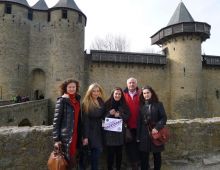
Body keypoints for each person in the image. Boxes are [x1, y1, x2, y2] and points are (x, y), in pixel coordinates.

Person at [52, 79, 82, 169]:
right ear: (65, 88)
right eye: (70, 87)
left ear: (76, 88)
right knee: (67, 161)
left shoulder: (77, 100)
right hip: (66, 137)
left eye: (74, 87)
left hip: (76, 134)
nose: (72, 89)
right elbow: (56, 122)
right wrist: (56, 139)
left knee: (73, 159)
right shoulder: (62, 101)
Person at [137, 85, 167, 170]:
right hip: (144, 134)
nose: (146, 95)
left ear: (152, 93)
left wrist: (157, 128)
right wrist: (138, 137)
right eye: (144, 93)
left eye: (148, 93)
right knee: (144, 157)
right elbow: (139, 122)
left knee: (157, 155)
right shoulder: (141, 106)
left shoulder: (158, 104)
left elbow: (164, 118)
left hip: (156, 133)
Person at [103, 87, 130, 170]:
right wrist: (109, 114)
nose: (117, 95)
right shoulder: (107, 103)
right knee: (110, 154)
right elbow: (102, 118)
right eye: (116, 93)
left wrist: (120, 115)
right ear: (113, 94)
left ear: (121, 95)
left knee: (119, 154)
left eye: (119, 94)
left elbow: (128, 116)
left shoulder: (124, 104)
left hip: (120, 133)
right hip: (109, 134)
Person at [82, 83, 105, 170]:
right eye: (93, 91)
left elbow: (104, 115)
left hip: (99, 131)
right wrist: (85, 137)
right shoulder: (86, 103)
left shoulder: (101, 101)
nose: (96, 93)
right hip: (90, 132)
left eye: (97, 91)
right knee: (92, 157)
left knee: (97, 155)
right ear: (90, 92)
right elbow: (85, 121)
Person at [123, 77, 141, 170]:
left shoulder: (141, 94)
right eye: (130, 83)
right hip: (128, 126)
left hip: (140, 125)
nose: (132, 84)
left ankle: (140, 163)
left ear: (136, 84)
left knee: (140, 146)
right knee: (130, 147)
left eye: (133, 83)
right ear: (127, 84)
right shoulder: (123, 94)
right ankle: (133, 165)